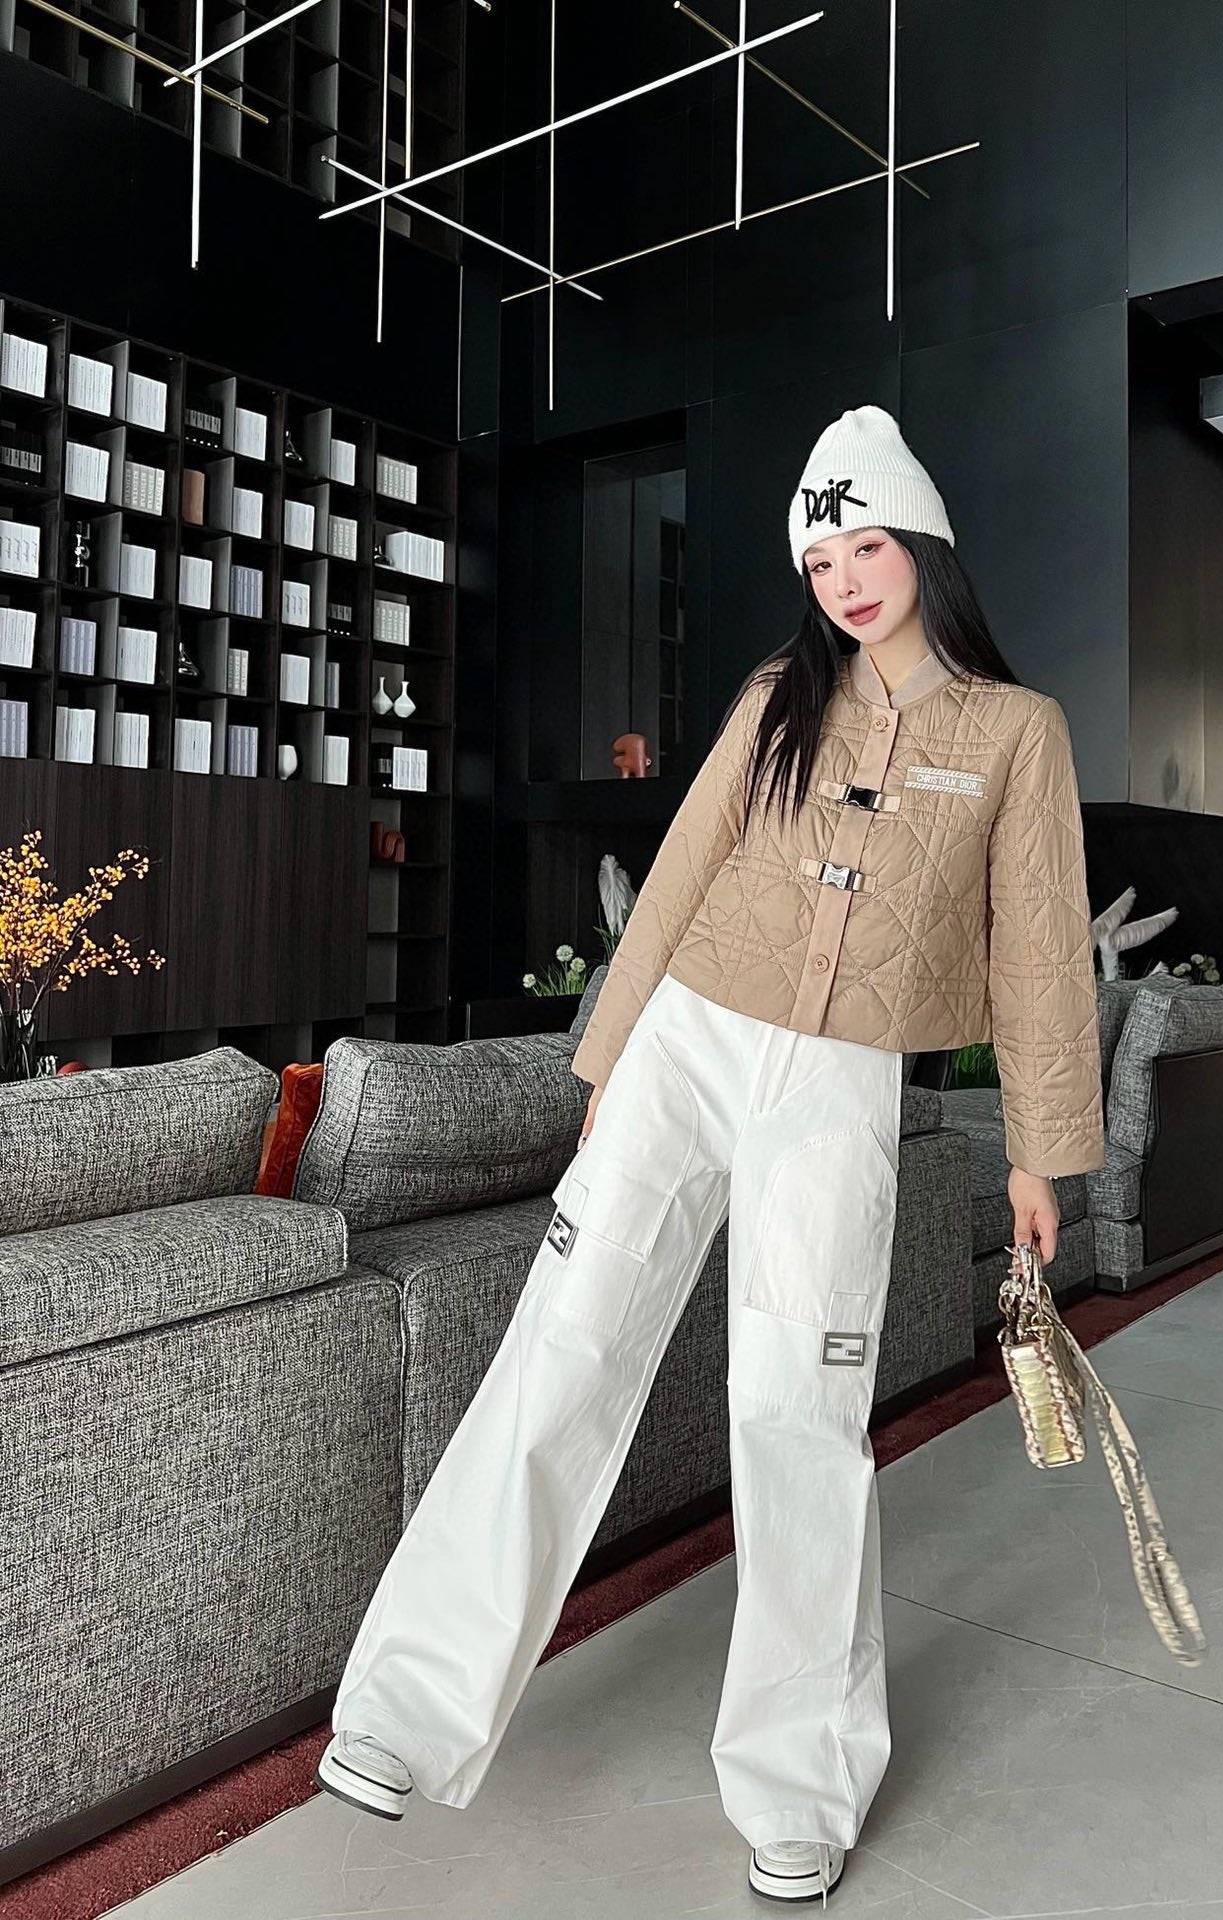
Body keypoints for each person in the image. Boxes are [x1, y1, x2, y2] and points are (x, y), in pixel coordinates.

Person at [315, 405, 1106, 1907]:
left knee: (800, 1406)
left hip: (839, 1085)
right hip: (687, 1044)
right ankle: (404, 1716)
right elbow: (682, 868)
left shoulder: (1018, 732)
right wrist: (607, 1059)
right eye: (819, 561)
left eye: (865, 547)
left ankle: (800, 1784)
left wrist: (1038, 1152)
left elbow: (1042, 951)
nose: (844, 582)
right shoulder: (775, 695)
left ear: (924, 542)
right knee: (564, 1348)